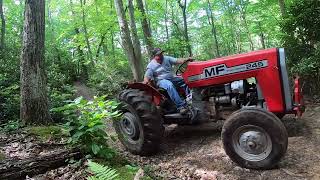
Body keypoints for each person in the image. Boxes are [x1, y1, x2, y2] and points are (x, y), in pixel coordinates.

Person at [143, 48, 192, 114]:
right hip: (161, 81)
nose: (160, 56)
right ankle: (181, 107)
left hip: (171, 78)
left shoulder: (167, 58)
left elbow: (177, 60)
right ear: (154, 56)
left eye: (161, 54)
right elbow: (147, 76)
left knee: (186, 79)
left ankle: (190, 98)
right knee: (169, 85)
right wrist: (145, 81)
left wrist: (187, 59)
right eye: (158, 55)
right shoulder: (151, 65)